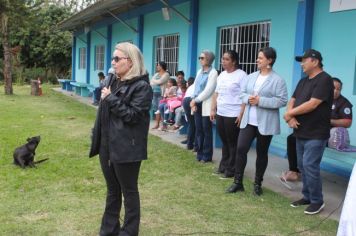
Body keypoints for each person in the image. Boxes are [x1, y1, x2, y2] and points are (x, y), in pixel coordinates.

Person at [89, 42, 153, 235]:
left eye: (117, 59)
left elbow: (133, 116)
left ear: (131, 62)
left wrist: (111, 99)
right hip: (107, 146)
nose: (113, 63)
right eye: (112, 59)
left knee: (129, 192)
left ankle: (129, 231)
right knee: (112, 191)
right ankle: (108, 230)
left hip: (127, 148)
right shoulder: (112, 82)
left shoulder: (142, 87)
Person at [226, 47, 288, 195]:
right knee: (241, 149)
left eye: (260, 58)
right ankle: (237, 182)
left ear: (269, 60)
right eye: (258, 57)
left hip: (266, 123)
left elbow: (282, 100)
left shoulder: (278, 80)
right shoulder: (251, 76)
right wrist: (248, 98)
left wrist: (260, 101)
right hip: (248, 121)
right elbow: (241, 94)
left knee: (262, 153)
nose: (257, 60)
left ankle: (257, 184)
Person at [284, 49, 334, 215]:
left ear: (315, 61)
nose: (301, 64)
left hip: (316, 133)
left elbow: (313, 104)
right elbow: (292, 100)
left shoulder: (325, 80)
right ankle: (307, 196)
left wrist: (290, 114)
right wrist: (290, 117)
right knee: (302, 166)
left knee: (310, 166)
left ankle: (317, 201)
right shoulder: (303, 81)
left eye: (304, 60)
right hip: (300, 131)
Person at [281, 77, 353, 182]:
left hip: (330, 136)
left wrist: (328, 121)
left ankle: (306, 173)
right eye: (333, 88)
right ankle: (294, 171)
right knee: (292, 139)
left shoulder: (344, 103)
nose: (335, 91)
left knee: (311, 146)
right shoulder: (320, 98)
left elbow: (347, 122)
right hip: (313, 129)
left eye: (339, 89)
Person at [210, 50, 247, 179]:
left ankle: (231, 169)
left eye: (226, 59)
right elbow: (216, 93)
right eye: (223, 59)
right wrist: (212, 109)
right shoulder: (222, 75)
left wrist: (241, 113)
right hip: (221, 112)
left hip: (233, 113)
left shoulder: (241, 75)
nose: (223, 61)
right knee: (224, 141)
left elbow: (244, 96)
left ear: (234, 61)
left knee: (232, 142)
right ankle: (223, 166)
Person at [190, 50, 218, 163]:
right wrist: (193, 100)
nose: (200, 60)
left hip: (206, 103)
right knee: (199, 129)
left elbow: (209, 90)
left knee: (206, 130)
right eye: (200, 58)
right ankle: (200, 153)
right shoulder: (199, 72)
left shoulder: (213, 73)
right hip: (197, 102)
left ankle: (207, 155)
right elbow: (195, 87)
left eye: (202, 58)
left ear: (209, 59)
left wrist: (195, 100)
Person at [150, 61, 170, 129]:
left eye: (158, 65)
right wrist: (155, 82)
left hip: (161, 94)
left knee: (161, 109)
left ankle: (164, 125)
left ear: (161, 66)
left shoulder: (166, 74)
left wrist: (155, 81)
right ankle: (157, 124)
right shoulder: (156, 74)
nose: (157, 66)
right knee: (156, 109)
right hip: (154, 93)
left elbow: (160, 81)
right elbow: (151, 82)